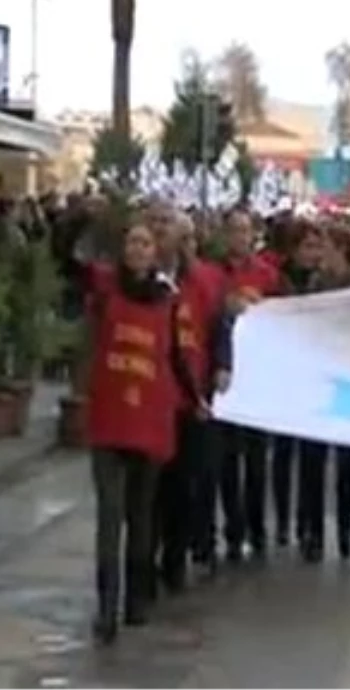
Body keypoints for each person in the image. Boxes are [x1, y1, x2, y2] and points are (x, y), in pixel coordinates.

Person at [85, 220, 199, 645]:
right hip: (109, 418)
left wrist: (196, 398)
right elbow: (68, 256)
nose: (137, 249)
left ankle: (136, 600)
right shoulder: (103, 290)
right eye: (131, 241)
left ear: (155, 252)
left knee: (141, 513)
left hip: (148, 417)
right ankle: (106, 607)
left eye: (145, 243)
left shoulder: (167, 299)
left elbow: (175, 356)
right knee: (109, 516)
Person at [150, 209, 230, 589]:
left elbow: (218, 328)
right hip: (152, 397)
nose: (160, 231)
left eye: (167, 226)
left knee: (186, 482)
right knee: (151, 487)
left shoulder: (204, 281)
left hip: (193, 398)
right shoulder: (142, 279)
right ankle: (143, 562)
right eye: (154, 225)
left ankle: (176, 558)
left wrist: (222, 365)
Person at [298, 224, 350, 562]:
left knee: (346, 463)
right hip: (319, 377)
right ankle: (313, 530)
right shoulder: (315, 283)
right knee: (312, 459)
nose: (322, 253)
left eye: (327, 246)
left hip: (349, 378)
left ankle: (344, 529)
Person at [218, 206, 281, 563]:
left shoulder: (267, 275)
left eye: (245, 231)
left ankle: (257, 529)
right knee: (228, 462)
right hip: (228, 378)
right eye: (234, 230)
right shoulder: (215, 274)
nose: (239, 237)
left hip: (258, 379)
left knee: (257, 462)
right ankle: (233, 530)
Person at [273, 220, 323, 548]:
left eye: (317, 247)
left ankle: (312, 527)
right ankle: (283, 521)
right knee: (283, 454)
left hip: (317, 378)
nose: (313, 253)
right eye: (307, 246)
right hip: (285, 378)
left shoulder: (327, 284)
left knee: (313, 458)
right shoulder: (277, 281)